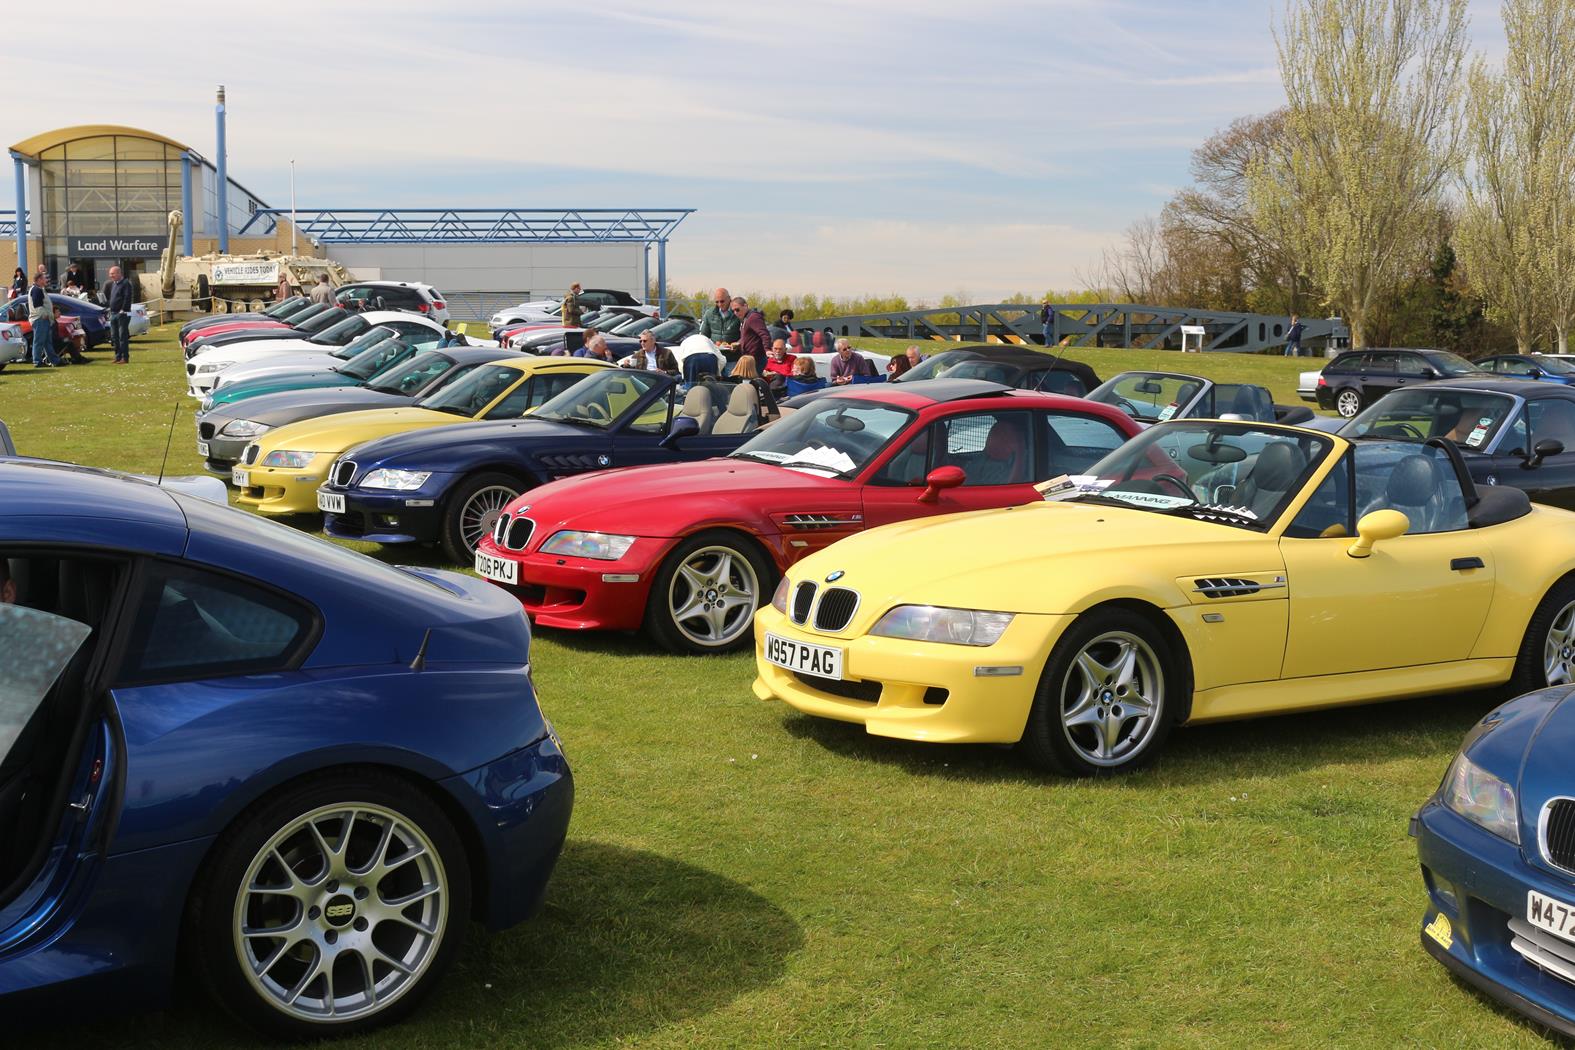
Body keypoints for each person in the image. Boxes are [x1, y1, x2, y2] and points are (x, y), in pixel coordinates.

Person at [28, 274, 61, 368]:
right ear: (39, 280)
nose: (45, 280)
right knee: (39, 341)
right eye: (44, 279)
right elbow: (37, 306)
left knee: (47, 342)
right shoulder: (36, 290)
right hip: (40, 319)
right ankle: (37, 361)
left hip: (42, 319)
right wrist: (45, 315)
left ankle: (55, 361)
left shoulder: (38, 289)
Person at [731, 296, 771, 370]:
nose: (735, 313)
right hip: (750, 358)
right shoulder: (746, 318)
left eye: (737, 309)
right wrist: (738, 343)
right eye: (733, 311)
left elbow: (764, 334)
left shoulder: (753, 317)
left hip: (756, 359)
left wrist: (767, 349)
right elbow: (747, 337)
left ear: (745, 306)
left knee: (752, 380)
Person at [105, 265, 135, 364]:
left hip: (122, 314)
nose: (111, 276)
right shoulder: (114, 284)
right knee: (114, 337)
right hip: (113, 313)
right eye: (110, 274)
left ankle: (124, 358)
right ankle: (117, 356)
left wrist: (123, 309)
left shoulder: (126, 283)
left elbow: (127, 297)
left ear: (119, 273)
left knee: (123, 336)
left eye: (112, 273)